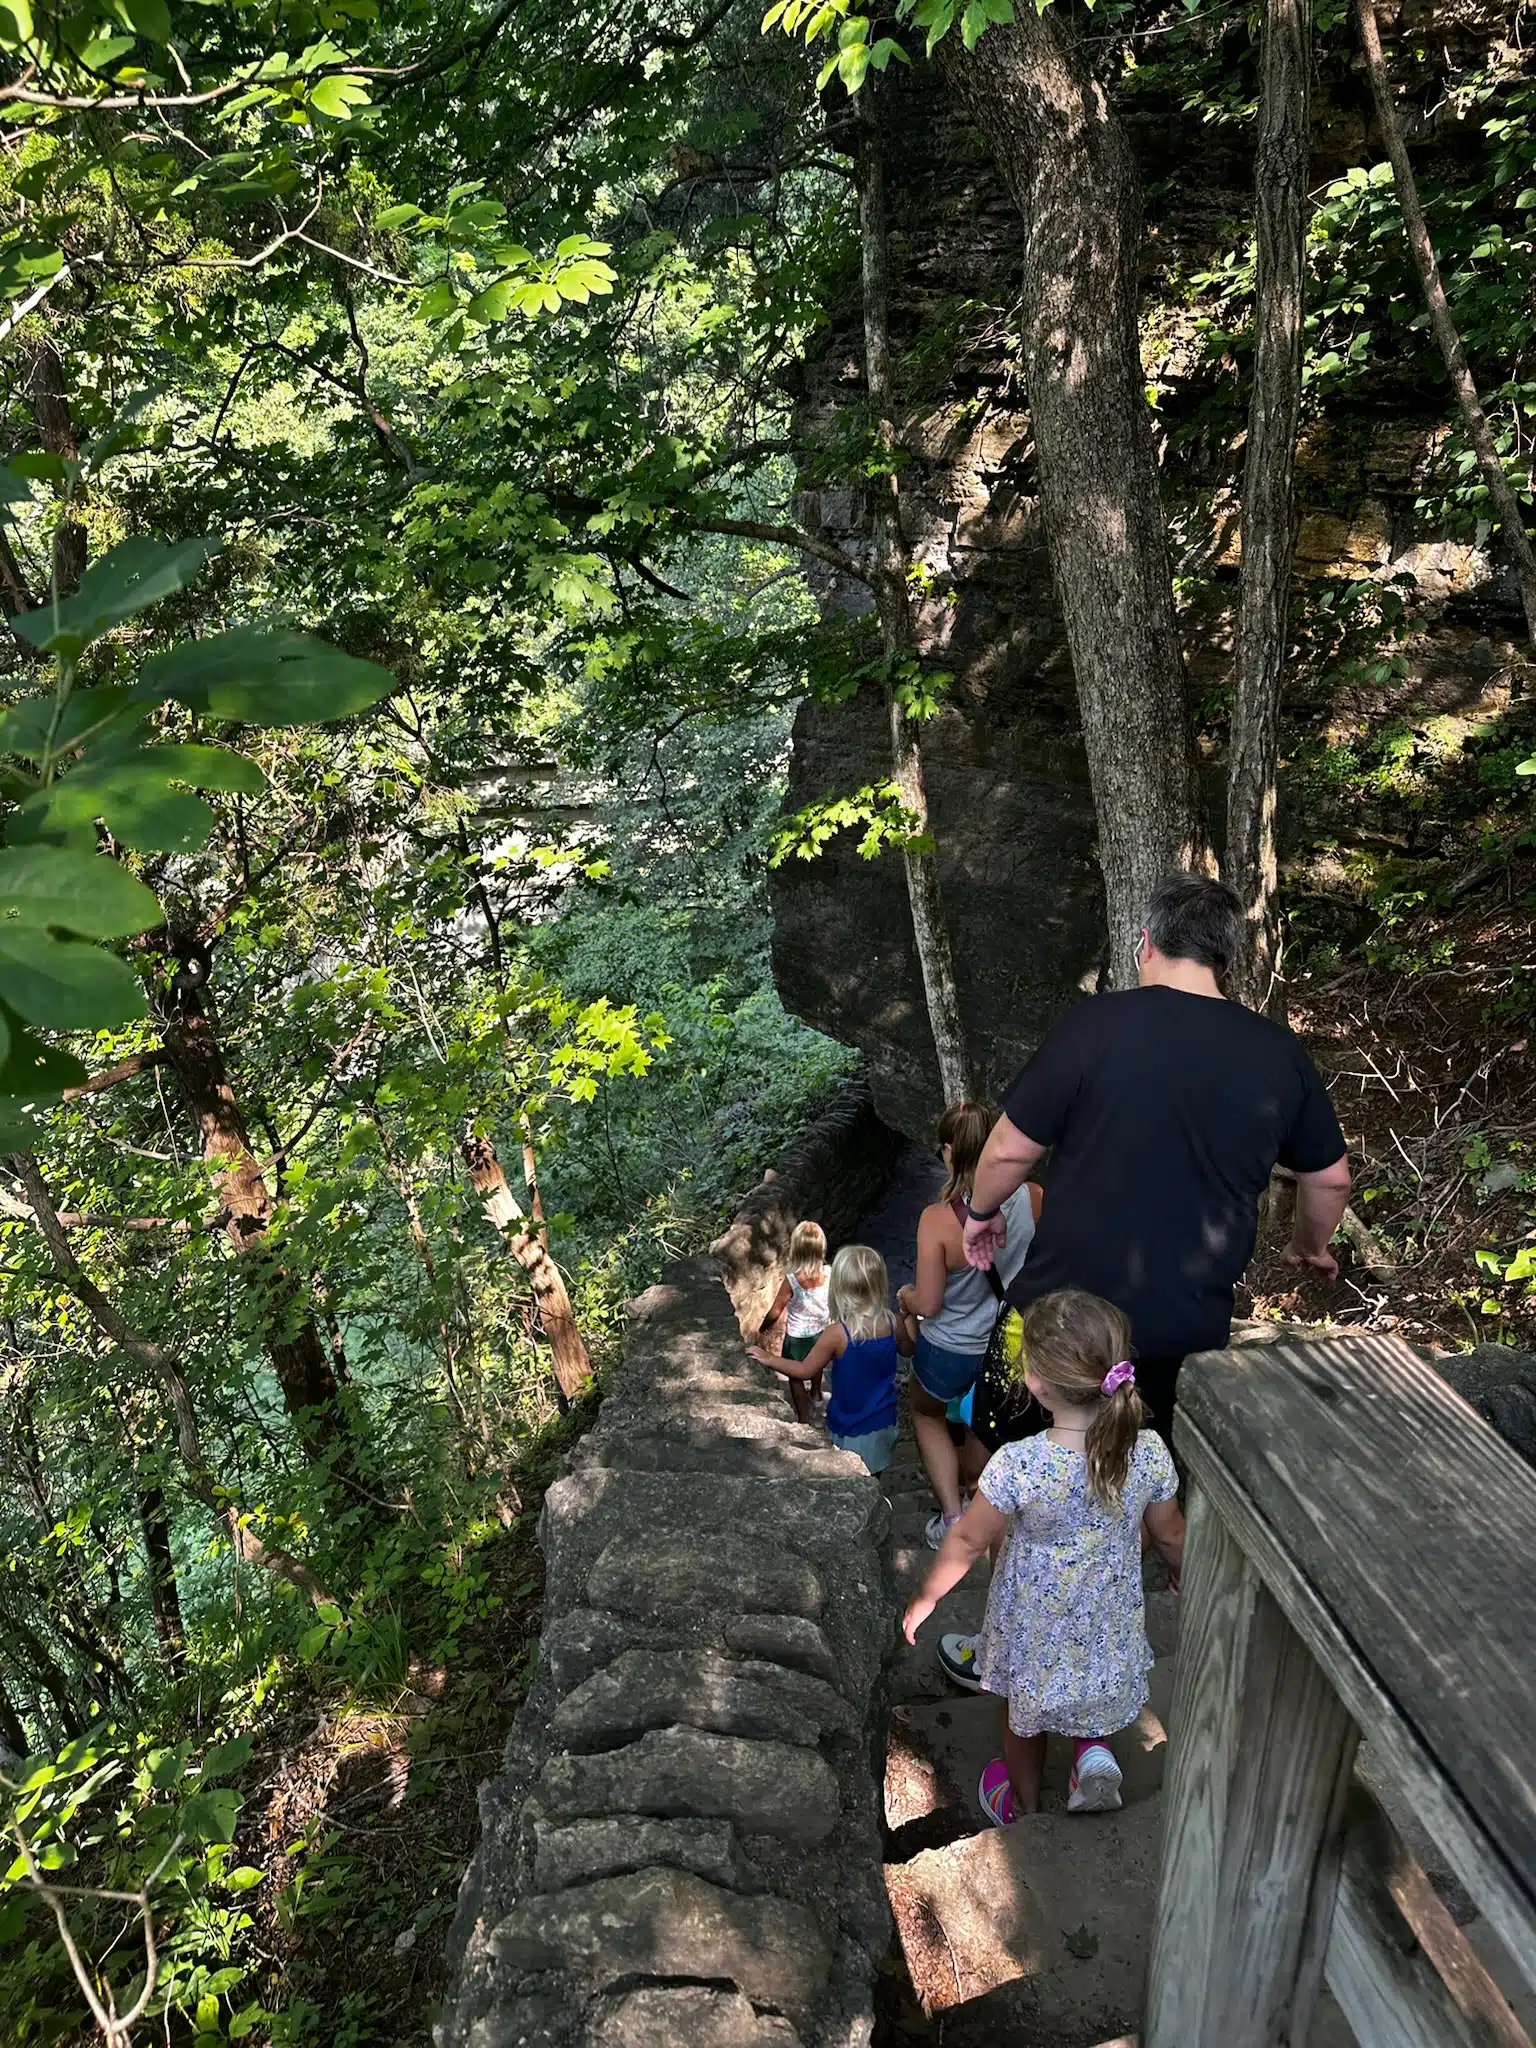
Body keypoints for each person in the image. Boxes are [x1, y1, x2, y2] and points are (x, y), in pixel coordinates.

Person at [962, 872, 1351, 1450]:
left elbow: (1012, 1147)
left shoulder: (1094, 1025)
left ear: (1145, 941)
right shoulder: (1278, 1052)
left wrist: (982, 1210)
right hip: (1184, 1335)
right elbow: (1330, 1178)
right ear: (1223, 956)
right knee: (1145, 1476)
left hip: (1059, 1321)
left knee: (1016, 1470)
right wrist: (1309, 1245)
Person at [903, 1290, 1186, 1825]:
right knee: (1094, 1677)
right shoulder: (1147, 1450)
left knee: (1022, 1714)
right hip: (1107, 1615)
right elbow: (1170, 1533)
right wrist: (1182, 1575)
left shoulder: (1020, 1464)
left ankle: (1024, 1805)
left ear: (1035, 1382)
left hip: (1034, 1623)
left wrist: (926, 1598)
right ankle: (1093, 1753)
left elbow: (965, 1540)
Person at [894, 1102, 1042, 1550]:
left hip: (950, 1347)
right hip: (1008, 1340)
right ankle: (982, 1496)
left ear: (948, 1152)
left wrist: (904, 1298)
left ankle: (954, 1517)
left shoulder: (937, 1221)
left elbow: (930, 1302)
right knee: (985, 1420)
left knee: (925, 1411)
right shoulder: (1033, 1197)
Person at [751, 1243, 912, 1474]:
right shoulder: (893, 1322)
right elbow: (908, 1350)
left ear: (839, 1288)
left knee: (850, 1476)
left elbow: (805, 1370)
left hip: (850, 1425)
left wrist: (770, 1358)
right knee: (874, 1474)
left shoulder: (838, 1334)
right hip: (883, 1421)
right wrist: (910, 1317)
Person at [756, 1220, 831, 1424]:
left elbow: (776, 1310)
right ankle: (816, 1394)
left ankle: (804, 1418)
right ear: (821, 1248)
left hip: (797, 1337)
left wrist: (763, 1327)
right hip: (822, 1332)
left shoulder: (793, 1280)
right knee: (818, 1365)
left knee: (795, 1376)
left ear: (796, 1249)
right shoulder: (829, 1273)